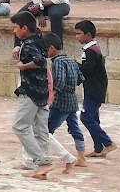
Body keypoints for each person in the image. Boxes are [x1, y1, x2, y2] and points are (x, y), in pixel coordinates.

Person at [10, 11, 75, 179]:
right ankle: (42, 169)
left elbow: (38, 61)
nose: (14, 31)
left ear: (24, 28)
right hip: (42, 92)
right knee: (41, 131)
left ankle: (41, 160)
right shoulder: (38, 39)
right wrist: (18, 46)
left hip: (31, 91)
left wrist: (23, 67)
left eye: (16, 28)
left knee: (20, 126)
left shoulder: (31, 45)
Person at [75, 20, 116, 157]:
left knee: (86, 118)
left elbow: (88, 70)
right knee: (93, 118)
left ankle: (108, 143)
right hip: (95, 88)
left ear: (87, 35)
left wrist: (76, 66)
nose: (77, 37)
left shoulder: (90, 51)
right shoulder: (93, 48)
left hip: (94, 89)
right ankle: (98, 148)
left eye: (79, 34)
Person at [46, 38, 89, 167]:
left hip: (61, 101)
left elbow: (58, 81)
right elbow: (80, 78)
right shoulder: (71, 61)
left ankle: (41, 157)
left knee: (46, 130)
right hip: (72, 99)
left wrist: (51, 95)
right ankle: (82, 157)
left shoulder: (58, 62)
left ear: (52, 48)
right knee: (74, 128)